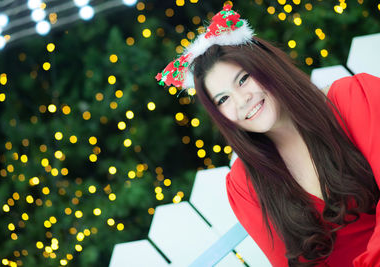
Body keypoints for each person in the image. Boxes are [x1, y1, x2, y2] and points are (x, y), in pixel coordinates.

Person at [156, 4, 380, 267]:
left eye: (243, 80)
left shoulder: (354, 97)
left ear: (266, 66)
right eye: (223, 99)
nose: (242, 101)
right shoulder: (244, 185)